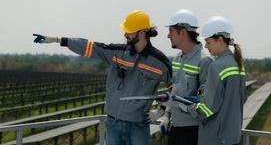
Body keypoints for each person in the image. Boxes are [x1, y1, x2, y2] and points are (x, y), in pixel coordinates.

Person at [33, 10, 172, 145]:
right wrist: (58, 40)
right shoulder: (117, 52)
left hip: (138, 127)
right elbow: (90, 47)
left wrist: (162, 112)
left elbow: (175, 89)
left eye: (129, 31)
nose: (125, 34)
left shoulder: (160, 62)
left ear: (142, 33)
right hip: (113, 124)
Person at [182, 16, 247, 145]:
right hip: (232, 136)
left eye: (209, 42)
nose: (206, 46)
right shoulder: (238, 64)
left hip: (215, 137)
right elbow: (242, 98)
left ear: (220, 40)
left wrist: (187, 107)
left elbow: (208, 108)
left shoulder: (217, 66)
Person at [163, 9, 213, 145]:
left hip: (194, 132)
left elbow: (206, 104)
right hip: (176, 129)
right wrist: (166, 115)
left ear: (183, 33)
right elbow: (174, 93)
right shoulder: (177, 59)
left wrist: (183, 105)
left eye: (171, 31)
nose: (168, 36)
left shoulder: (205, 61)